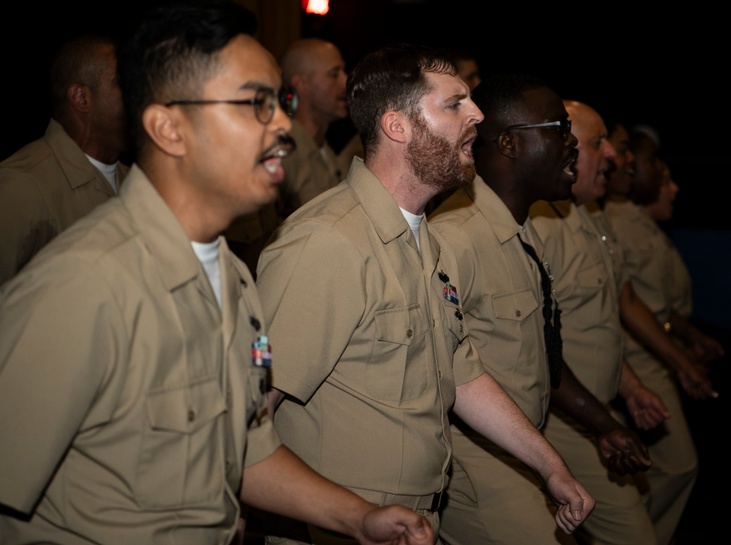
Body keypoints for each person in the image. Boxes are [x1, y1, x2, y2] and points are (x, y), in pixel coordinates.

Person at [0, 2, 436, 544]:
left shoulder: (232, 278)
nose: (281, 124)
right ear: (169, 128)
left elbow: (247, 450)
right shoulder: (83, 286)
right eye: (255, 102)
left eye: (279, 101)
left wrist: (358, 518)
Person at [254, 44, 594, 544]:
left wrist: (550, 465)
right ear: (398, 127)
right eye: (454, 104)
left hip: (411, 523)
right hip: (339, 528)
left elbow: (461, 369)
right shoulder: (327, 242)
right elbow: (251, 410)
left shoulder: (425, 240)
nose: (477, 113)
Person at [428, 73, 666, 545]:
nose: (572, 145)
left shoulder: (522, 232)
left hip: (525, 452)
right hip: (482, 465)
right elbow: (441, 376)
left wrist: (604, 426)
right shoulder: (454, 239)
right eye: (559, 129)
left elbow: (542, 356)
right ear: (511, 144)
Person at [528, 99, 699, 545]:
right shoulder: (542, 225)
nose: (612, 156)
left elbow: (597, 319)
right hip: (565, 417)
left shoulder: (587, 215)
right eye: (598, 142)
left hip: (596, 408)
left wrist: (629, 386)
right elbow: (538, 344)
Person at [602, 121, 725, 544]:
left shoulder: (620, 218)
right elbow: (628, 306)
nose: (634, 165)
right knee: (674, 464)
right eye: (633, 156)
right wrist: (682, 356)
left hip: (646, 354)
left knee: (657, 468)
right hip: (635, 356)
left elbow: (651, 302)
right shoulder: (608, 218)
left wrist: (685, 338)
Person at [0, 33, 129, 286]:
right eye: (125, 82)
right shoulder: (22, 187)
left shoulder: (139, 184)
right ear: (81, 98)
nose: (142, 96)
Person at [225, 37, 350, 274]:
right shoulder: (278, 157)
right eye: (334, 74)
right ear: (301, 85)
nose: (346, 82)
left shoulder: (331, 154)